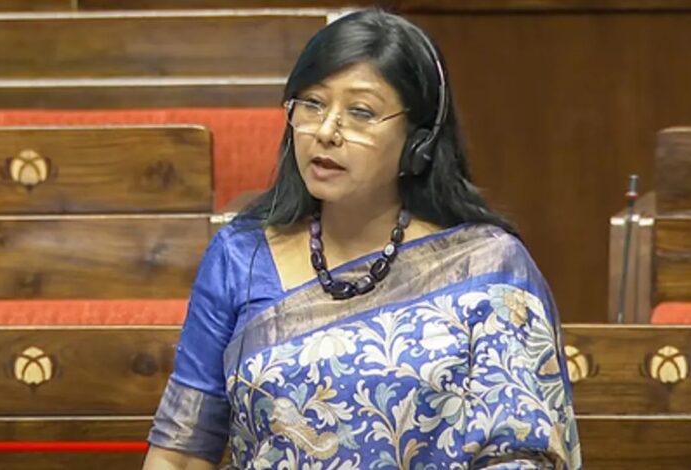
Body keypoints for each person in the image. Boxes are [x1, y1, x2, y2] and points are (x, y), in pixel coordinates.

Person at [143, 8, 581, 470]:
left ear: (419, 139)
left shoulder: (488, 268)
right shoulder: (241, 256)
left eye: (361, 112)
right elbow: (179, 454)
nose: (326, 132)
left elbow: (523, 454)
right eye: (312, 104)